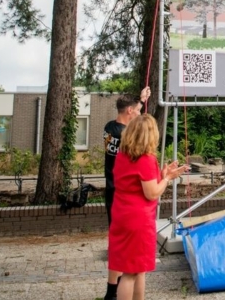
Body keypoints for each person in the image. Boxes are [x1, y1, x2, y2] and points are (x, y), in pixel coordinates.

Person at [108, 113, 189, 300]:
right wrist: (168, 178)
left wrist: (162, 174)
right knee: (130, 273)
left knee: (139, 269)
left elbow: (138, 184)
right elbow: (151, 193)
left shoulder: (123, 156)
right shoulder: (145, 159)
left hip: (122, 215)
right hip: (138, 220)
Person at [103, 86, 150, 300]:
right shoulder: (127, 138)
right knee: (127, 255)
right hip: (123, 196)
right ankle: (116, 290)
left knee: (117, 243)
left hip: (112, 191)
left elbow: (130, 119)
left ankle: (111, 290)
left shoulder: (110, 128)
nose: (139, 114)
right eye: (137, 111)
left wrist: (140, 100)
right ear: (129, 111)